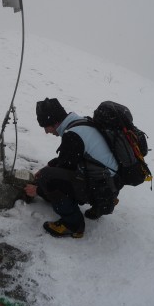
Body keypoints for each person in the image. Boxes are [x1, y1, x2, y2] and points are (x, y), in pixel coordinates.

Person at [24, 98, 123, 238]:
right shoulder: (81, 123)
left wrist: (39, 189)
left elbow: (64, 173)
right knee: (50, 172)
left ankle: (73, 225)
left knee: (48, 178)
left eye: (46, 127)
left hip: (101, 186)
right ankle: (103, 203)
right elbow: (71, 159)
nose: (46, 132)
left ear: (54, 122)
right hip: (112, 181)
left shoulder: (72, 136)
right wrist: (51, 165)